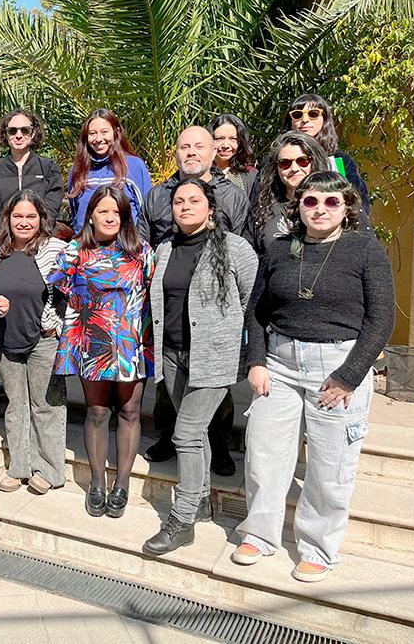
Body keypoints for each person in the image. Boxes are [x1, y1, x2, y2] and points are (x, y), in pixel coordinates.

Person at [236, 172, 394, 582]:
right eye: (311, 201)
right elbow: (257, 311)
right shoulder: (278, 249)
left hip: (337, 366)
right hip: (280, 364)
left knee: (330, 465)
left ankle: (318, 547)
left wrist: (350, 375)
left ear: (346, 208)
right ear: (299, 206)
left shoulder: (365, 250)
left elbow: (381, 320)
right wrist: (256, 361)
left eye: (331, 202)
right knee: (264, 454)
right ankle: (259, 534)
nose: (320, 209)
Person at [142, 179, 258, 556]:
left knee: (187, 433)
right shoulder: (165, 248)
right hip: (173, 355)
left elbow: (252, 301)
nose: (185, 206)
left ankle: (183, 519)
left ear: (210, 208)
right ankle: (203, 499)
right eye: (179, 201)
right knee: (197, 432)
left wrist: (241, 347)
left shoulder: (234, 248)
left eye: (194, 200)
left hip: (214, 358)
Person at [138, 126, 250, 473]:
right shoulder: (158, 195)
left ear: (213, 151)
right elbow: (144, 240)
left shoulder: (232, 195)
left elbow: (241, 251)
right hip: (171, 300)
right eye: (184, 146)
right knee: (167, 386)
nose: (191, 152)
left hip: (213, 313)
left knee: (214, 388)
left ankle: (218, 444)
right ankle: (167, 437)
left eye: (198, 146)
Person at [48, 186, 153, 517]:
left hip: (131, 344)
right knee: (96, 412)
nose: (110, 217)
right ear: (91, 215)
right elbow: (56, 290)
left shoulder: (142, 251)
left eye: (116, 212)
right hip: (92, 342)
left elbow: (155, 294)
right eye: (103, 211)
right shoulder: (75, 251)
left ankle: (121, 484)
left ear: (125, 217)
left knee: (130, 411)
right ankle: (96, 482)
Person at [0, 190, 67, 494]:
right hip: (7, 340)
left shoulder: (55, 250)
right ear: (8, 219)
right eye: (17, 216)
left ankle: (49, 470)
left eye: (30, 216)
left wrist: (56, 324)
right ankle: (19, 467)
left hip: (43, 340)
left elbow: (70, 293)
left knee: (46, 405)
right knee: (16, 406)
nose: (24, 222)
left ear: (41, 218)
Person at [246, 132, 333, 253]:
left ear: (315, 162)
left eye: (303, 161)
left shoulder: (335, 206)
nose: (294, 169)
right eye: (285, 163)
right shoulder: (263, 209)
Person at [0, 109, 64, 237]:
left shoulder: (49, 168)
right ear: (5, 134)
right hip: (5, 242)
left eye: (25, 130)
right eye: (12, 131)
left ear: (33, 133)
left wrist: (39, 236)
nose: (18, 135)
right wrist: (2, 238)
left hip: (41, 240)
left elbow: (52, 207)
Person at [67, 109, 153, 232]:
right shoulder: (78, 170)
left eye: (104, 132)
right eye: (92, 133)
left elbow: (147, 212)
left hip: (125, 241)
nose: (98, 139)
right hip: (86, 242)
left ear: (116, 132)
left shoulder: (134, 166)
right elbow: (75, 212)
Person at [283, 93, 370, 211]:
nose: (305, 120)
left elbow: (359, 201)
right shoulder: (279, 160)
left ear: (324, 119)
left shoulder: (340, 160)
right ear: (291, 121)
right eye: (297, 115)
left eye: (313, 114)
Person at [210, 114, 257, 195]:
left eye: (233, 139)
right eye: (219, 139)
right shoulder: (199, 172)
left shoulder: (250, 174)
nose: (225, 145)